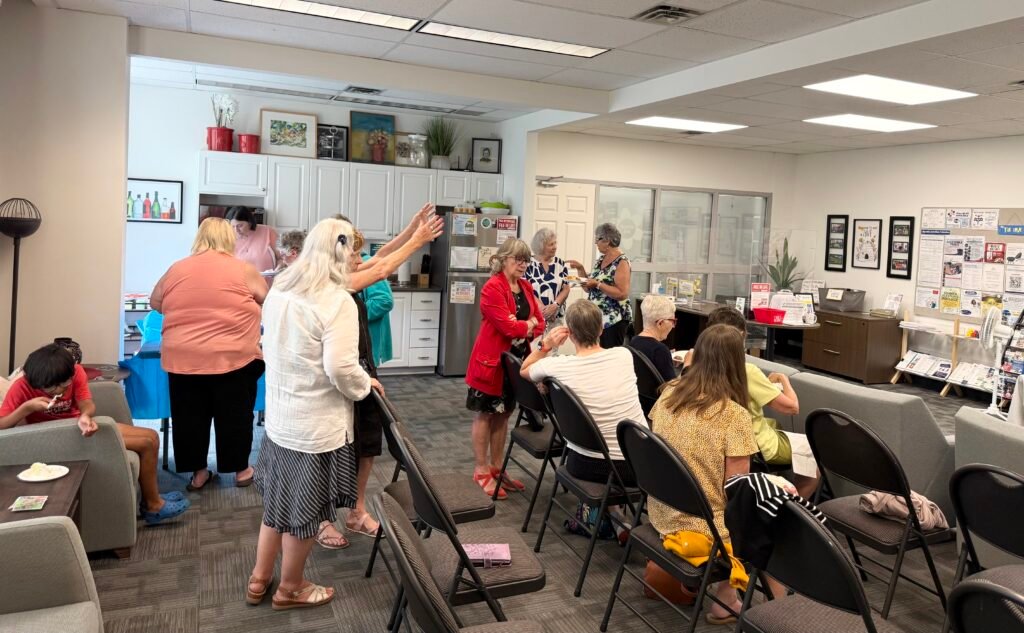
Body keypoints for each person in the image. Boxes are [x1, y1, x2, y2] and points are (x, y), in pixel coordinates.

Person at [248, 218, 379, 610]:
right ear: (340, 252)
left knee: (277, 505)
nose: (358, 261)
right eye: (355, 252)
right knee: (304, 513)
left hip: (281, 420)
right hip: (314, 428)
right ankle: (290, 588)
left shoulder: (282, 287)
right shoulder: (336, 301)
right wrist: (364, 385)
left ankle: (259, 579)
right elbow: (341, 368)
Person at [0, 344, 190, 525]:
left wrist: (85, 416)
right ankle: (153, 506)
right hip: (53, 436)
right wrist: (27, 408)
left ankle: (151, 497)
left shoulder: (76, 372)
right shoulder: (22, 386)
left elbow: (87, 403)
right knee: (145, 443)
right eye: (51, 388)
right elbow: (2, 424)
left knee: (152, 436)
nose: (60, 390)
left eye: (65, 384)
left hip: (77, 426)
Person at [647, 324, 759, 625]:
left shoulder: (669, 393)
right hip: (703, 524)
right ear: (738, 362)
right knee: (775, 516)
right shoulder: (734, 416)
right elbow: (736, 493)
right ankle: (736, 602)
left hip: (661, 508)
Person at [150, 218, 266, 490]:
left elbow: (156, 302)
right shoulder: (243, 269)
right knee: (235, 414)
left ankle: (199, 473)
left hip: (183, 358)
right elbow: (266, 298)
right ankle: (241, 470)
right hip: (232, 356)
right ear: (228, 238)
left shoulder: (177, 268)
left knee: (189, 417)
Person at [315, 230, 392, 549]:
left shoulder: (353, 281)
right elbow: (383, 265)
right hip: (337, 377)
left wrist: (414, 234)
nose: (361, 260)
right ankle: (321, 519)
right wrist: (416, 237)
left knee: (368, 444)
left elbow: (381, 261)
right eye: (355, 255)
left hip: (363, 370)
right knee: (329, 450)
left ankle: (357, 512)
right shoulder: (329, 290)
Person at [520, 301, 646, 488]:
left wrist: (545, 345)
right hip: (631, 466)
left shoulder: (556, 367)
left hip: (579, 462)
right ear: (601, 329)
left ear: (569, 334)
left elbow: (524, 370)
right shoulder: (624, 355)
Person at [705, 307, 817, 498]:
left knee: (775, 424)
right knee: (813, 454)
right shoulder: (746, 371)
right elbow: (792, 407)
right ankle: (792, 508)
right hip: (754, 446)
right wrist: (784, 380)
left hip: (715, 440)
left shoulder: (699, 366)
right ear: (741, 336)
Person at [465, 238, 544, 499]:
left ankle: (496, 469)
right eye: (518, 259)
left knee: (504, 414)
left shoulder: (525, 286)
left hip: (516, 363)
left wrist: (526, 324)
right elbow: (508, 327)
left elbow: (541, 322)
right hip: (491, 364)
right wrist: (526, 324)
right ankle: (480, 471)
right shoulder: (492, 287)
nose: (523, 265)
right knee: (485, 414)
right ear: (503, 259)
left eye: (526, 260)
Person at [568, 223, 632, 348]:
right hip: (597, 319)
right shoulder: (601, 260)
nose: (595, 243)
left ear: (607, 241)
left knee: (609, 354)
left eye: (597, 239)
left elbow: (622, 293)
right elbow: (588, 288)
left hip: (613, 320)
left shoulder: (622, 261)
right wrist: (580, 269)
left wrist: (598, 284)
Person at [525, 227, 571, 330]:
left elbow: (566, 288)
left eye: (555, 243)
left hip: (556, 317)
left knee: (555, 340)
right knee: (535, 341)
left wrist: (555, 306)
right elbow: (525, 290)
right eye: (551, 244)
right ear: (541, 246)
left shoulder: (560, 263)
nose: (555, 247)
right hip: (534, 317)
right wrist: (543, 310)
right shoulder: (528, 264)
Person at [631, 294, 678, 381]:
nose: (673, 326)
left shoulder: (633, 342)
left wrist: (667, 361)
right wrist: (686, 367)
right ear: (660, 323)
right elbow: (671, 386)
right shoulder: (660, 350)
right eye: (673, 321)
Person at [227, 207, 279, 272]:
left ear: (249, 223)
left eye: (240, 226)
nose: (236, 230)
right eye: (232, 226)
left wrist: (278, 269)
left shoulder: (268, 231)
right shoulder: (227, 238)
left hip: (266, 277)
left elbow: (282, 258)